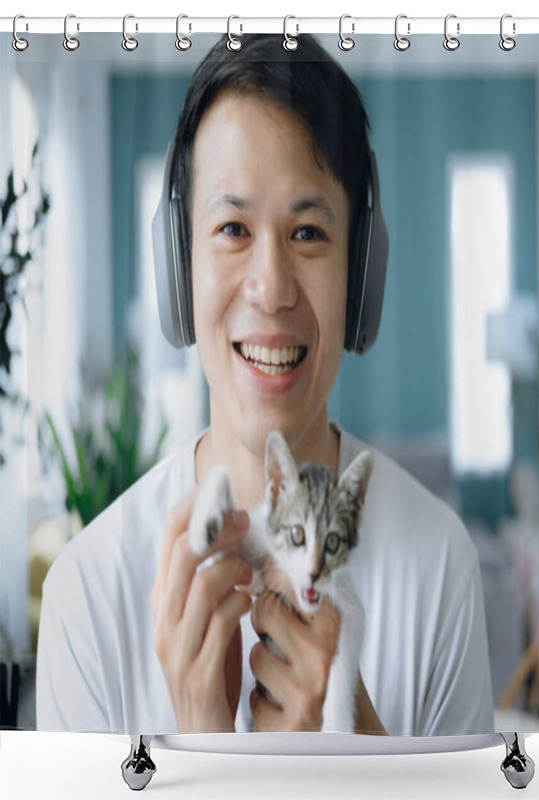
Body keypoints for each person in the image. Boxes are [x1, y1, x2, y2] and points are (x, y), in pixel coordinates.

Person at [36, 34, 494, 737]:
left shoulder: (440, 566)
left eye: (308, 232)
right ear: (178, 270)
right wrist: (197, 741)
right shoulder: (85, 593)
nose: (271, 287)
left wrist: (364, 762)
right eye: (232, 228)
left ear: (361, 276)